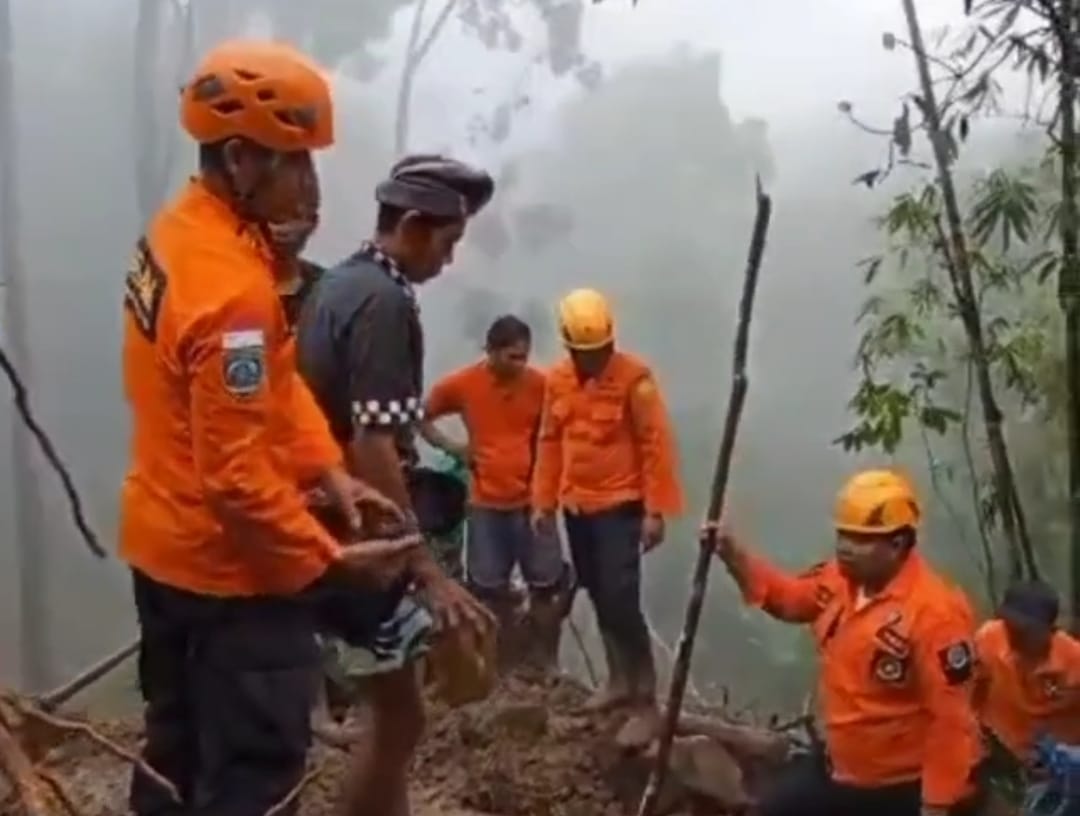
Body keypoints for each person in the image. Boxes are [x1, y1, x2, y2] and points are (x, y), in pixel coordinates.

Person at [119, 40, 420, 816]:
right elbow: (238, 480)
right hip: (233, 580)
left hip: (162, 548)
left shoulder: (182, 234)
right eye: (296, 163)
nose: (310, 185)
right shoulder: (233, 296)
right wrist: (329, 562)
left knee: (173, 748)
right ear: (243, 159)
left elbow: (274, 390)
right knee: (255, 774)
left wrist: (329, 472)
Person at [295, 153, 498, 816]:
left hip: (322, 517)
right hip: (355, 532)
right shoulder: (383, 304)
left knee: (399, 709)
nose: (449, 259)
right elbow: (373, 441)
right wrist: (421, 565)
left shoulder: (340, 284)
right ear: (411, 225)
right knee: (401, 712)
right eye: (448, 241)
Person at [703, 469, 984, 816]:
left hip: (899, 786)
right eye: (843, 536)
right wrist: (734, 556)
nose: (845, 548)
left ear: (897, 544)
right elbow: (789, 600)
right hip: (840, 766)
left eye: (861, 540)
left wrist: (936, 805)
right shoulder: (840, 580)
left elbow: (952, 721)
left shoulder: (935, 614)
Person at [531, 287, 685, 716]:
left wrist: (655, 510)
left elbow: (656, 444)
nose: (595, 357)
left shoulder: (635, 380)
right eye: (586, 351)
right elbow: (549, 441)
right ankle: (618, 680)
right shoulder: (557, 381)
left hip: (621, 506)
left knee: (621, 596)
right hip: (576, 507)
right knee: (597, 592)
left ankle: (644, 692)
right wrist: (542, 502)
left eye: (601, 349)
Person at [421, 314, 569, 669]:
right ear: (491, 351)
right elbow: (420, 415)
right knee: (489, 589)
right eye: (512, 356)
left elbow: (560, 432)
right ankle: (500, 662)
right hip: (486, 503)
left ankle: (545, 660)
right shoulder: (463, 384)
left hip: (533, 503)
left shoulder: (541, 385)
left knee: (548, 585)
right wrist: (453, 447)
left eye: (524, 356)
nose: (520, 364)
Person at [974, 579, 1080, 810]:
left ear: (1049, 629)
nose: (1014, 635)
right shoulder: (989, 640)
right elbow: (968, 694)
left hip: (1059, 770)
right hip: (1002, 756)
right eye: (1009, 625)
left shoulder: (1073, 661)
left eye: (1023, 629)